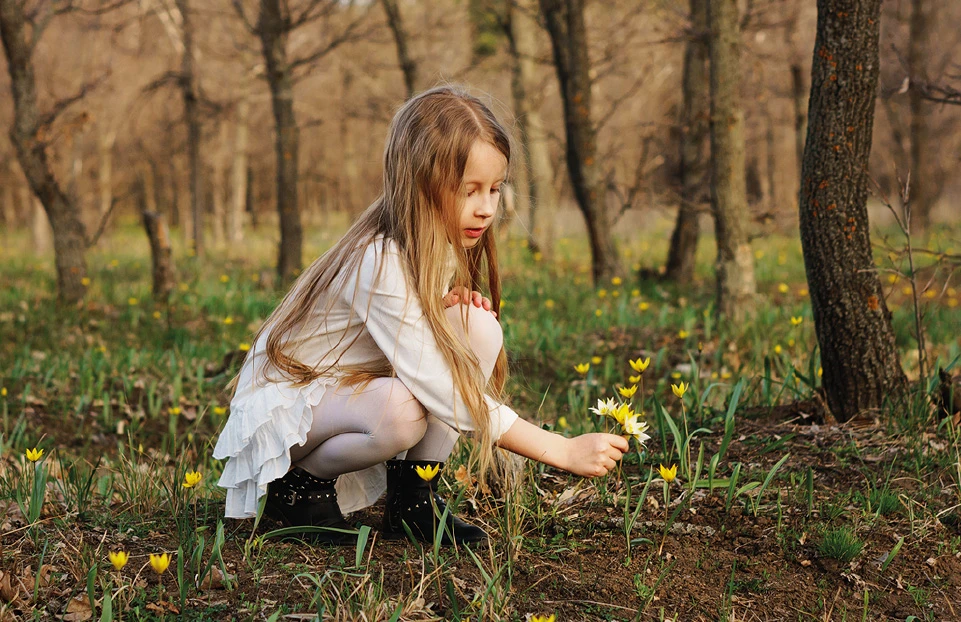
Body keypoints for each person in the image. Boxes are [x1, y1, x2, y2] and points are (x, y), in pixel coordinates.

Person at [212, 85, 629, 545]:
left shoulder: (437, 244)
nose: (487, 208)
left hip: (341, 397)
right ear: (422, 184)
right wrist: (562, 450)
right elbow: (444, 390)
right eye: (470, 191)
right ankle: (298, 491)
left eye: (495, 189)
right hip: (287, 411)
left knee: (479, 329)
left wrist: (443, 311)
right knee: (401, 410)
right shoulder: (377, 257)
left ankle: (414, 501)